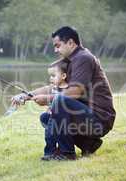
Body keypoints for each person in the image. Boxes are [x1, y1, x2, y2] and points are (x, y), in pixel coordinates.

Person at [12, 26, 116, 161]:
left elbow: (75, 92)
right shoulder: (71, 60)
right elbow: (53, 87)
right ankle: (89, 144)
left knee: (60, 101)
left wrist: (48, 99)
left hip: (100, 119)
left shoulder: (83, 58)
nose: (55, 50)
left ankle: (67, 153)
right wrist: (25, 96)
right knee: (46, 118)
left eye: (57, 46)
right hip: (87, 115)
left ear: (71, 43)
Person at [40, 59, 70, 161]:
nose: (51, 78)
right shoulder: (54, 89)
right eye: (50, 76)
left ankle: (51, 152)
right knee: (45, 119)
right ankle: (50, 151)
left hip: (64, 120)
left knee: (51, 129)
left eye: (53, 76)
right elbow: (51, 104)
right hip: (54, 117)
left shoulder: (68, 89)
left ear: (63, 76)